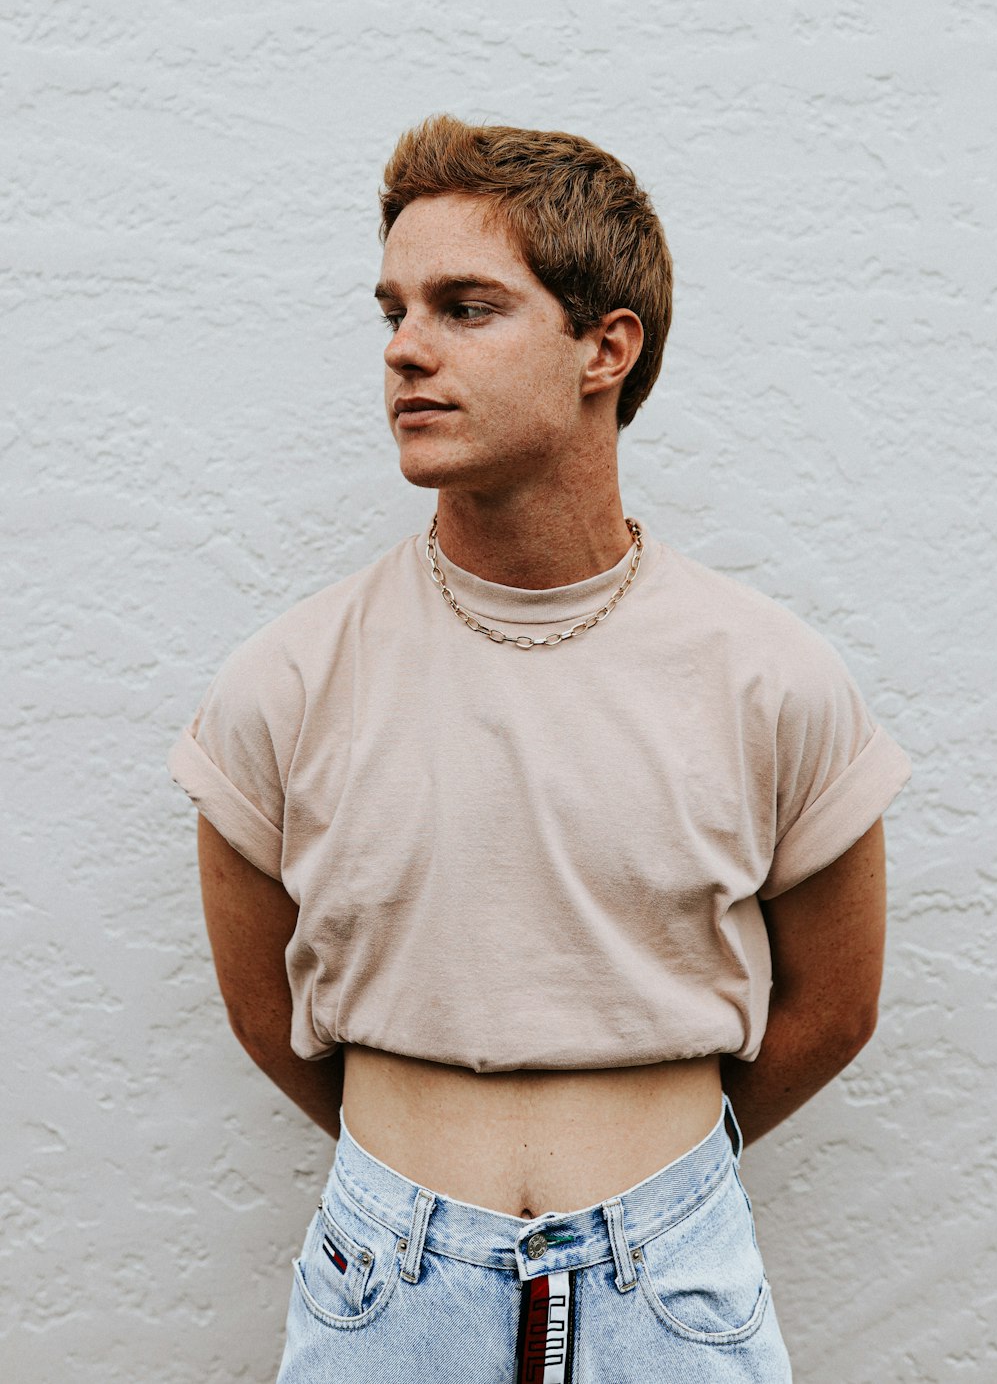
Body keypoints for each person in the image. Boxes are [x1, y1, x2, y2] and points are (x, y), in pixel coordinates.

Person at [167, 114, 911, 1382]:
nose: (405, 349)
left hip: (672, 1287)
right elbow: (261, 1007)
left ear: (603, 349)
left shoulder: (768, 676)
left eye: (465, 307)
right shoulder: (286, 681)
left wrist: (654, 1187)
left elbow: (834, 1008)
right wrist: (420, 1182)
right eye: (393, 309)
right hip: (383, 1289)